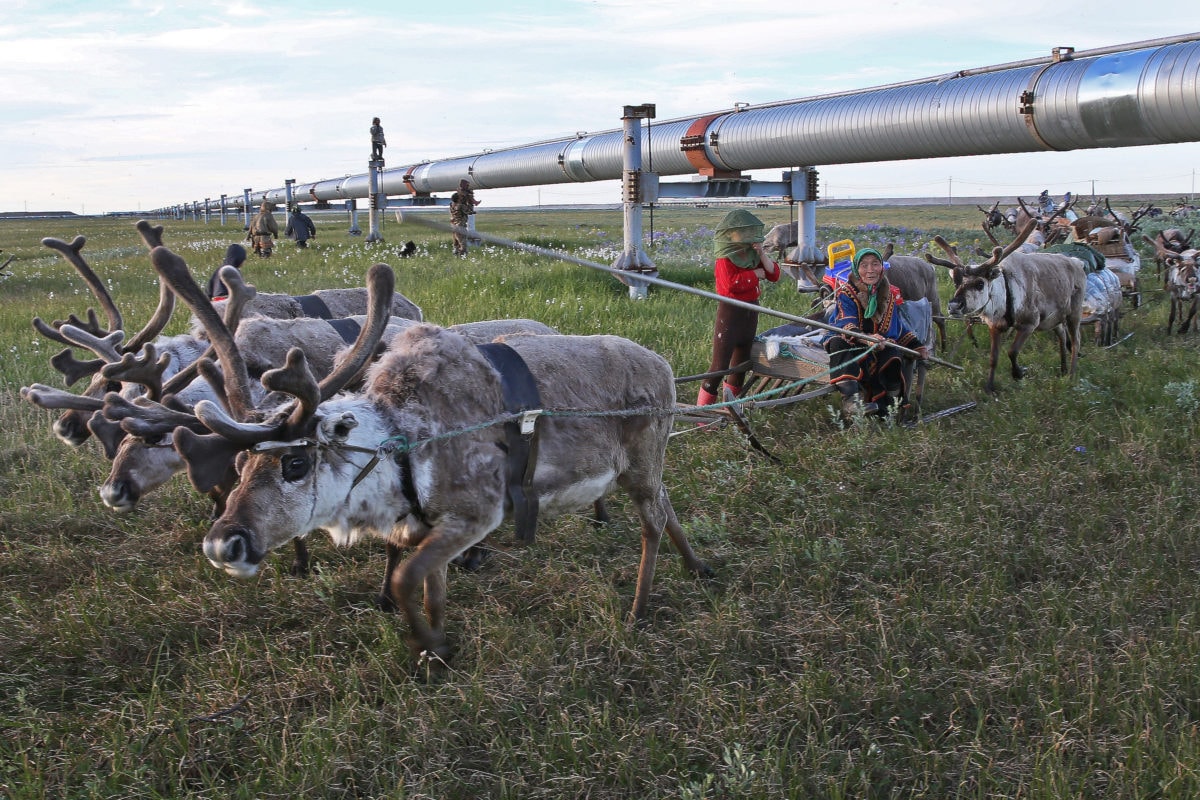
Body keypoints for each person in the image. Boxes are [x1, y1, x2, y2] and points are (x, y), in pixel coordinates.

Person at [825, 247, 930, 422]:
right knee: (837, 343)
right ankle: (851, 401)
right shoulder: (847, 293)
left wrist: (916, 345)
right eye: (864, 265)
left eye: (875, 264)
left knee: (893, 355)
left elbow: (898, 327)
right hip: (851, 340)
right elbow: (846, 324)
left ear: (882, 267)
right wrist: (866, 339)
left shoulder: (888, 294)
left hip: (878, 344)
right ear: (856, 270)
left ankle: (888, 406)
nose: (870, 270)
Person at [695, 208, 781, 406]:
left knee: (741, 364)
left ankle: (730, 407)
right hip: (731, 312)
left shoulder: (752, 254)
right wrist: (754, 275)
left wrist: (761, 253)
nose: (747, 236)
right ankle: (704, 411)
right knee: (720, 365)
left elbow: (773, 275)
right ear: (730, 234)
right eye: (742, 232)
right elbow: (729, 285)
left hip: (751, 311)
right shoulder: (725, 258)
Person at [449, 179, 480, 256]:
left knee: (456, 244)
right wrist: (470, 204)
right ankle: (463, 257)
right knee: (463, 244)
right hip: (460, 226)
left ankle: (455, 256)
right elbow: (469, 211)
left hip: (453, 226)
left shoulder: (452, 205)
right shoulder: (461, 206)